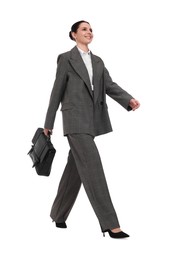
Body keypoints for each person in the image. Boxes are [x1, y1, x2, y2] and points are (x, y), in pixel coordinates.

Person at [44, 20, 140, 239]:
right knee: (93, 166)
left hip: (92, 122)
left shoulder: (97, 61)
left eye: (91, 29)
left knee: (75, 169)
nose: (89, 32)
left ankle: (58, 214)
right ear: (73, 34)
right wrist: (48, 123)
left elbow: (109, 85)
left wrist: (128, 99)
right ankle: (111, 224)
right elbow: (56, 91)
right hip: (74, 120)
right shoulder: (66, 58)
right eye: (84, 29)